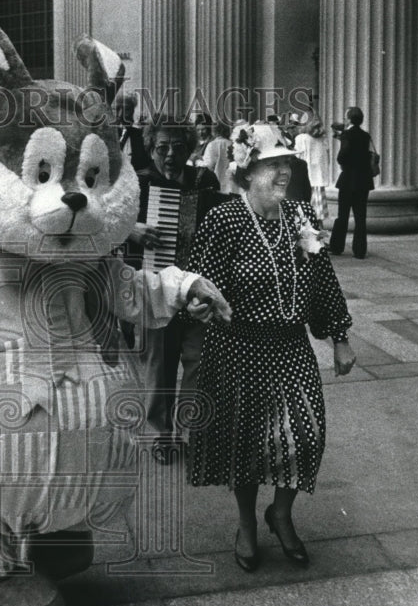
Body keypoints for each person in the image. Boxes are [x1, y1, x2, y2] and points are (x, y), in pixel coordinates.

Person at [184, 122, 356, 572]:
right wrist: (198, 308)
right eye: (271, 165)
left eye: (285, 163)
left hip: (290, 347)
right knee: (246, 446)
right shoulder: (224, 218)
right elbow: (197, 282)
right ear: (246, 171)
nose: (283, 172)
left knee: (305, 435)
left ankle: (280, 513)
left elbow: (322, 281)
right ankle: (246, 523)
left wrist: (339, 337)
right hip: (237, 347)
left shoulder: (302, 216)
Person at [128, 115, 227, 463]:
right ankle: (162, 435)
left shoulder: (204, 180)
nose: (170, 154)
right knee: (159, 366)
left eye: (178, 146)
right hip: (156, 291)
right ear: (150, 148)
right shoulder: (137, 185)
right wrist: (131, 229)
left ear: (191, 147)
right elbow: (105, 224)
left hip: (196, 291)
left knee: (199, 364)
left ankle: (191, 432)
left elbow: (223, 230)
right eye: (162, 147)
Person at [329, 106, 376, 259]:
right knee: (360, 216)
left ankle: (337, 246)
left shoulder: (347, 135)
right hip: (364, 180)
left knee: (342, 215)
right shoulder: (365, 135)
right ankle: (360, 250)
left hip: (348, 179)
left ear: (349, 118)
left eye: (345, 116)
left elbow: (342, 156)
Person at [294, 113, 333, 224]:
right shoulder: (323, 139)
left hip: (305, 180)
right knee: (318, 215)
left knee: (304, 213)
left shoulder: (300, 139)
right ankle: (319, 237)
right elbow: (327, 159)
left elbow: (297, 158)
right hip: (319, 179)